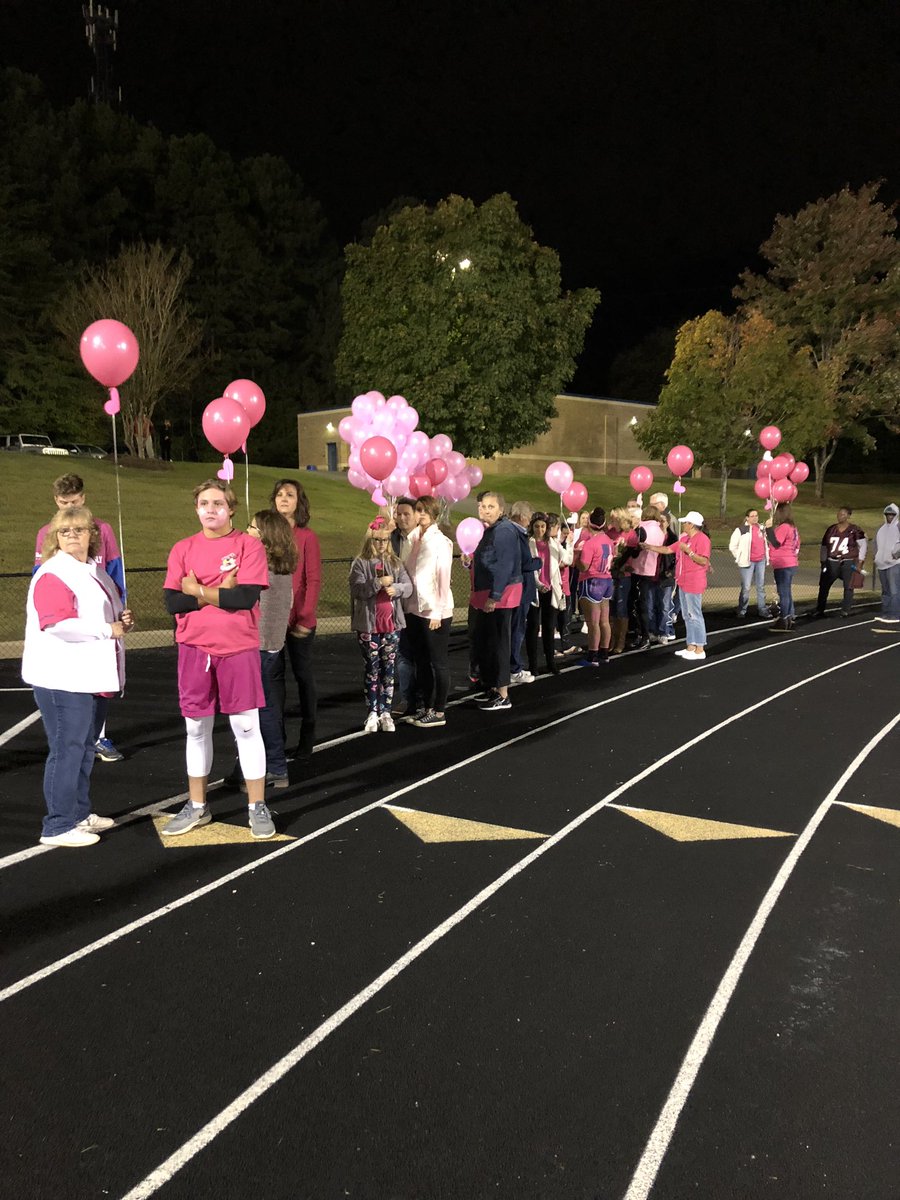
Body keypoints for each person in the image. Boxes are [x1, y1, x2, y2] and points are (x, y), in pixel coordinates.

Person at [162, 480, 276, 839]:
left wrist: (195, 588)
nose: (210, 509)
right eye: (203, 503)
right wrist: (211, 593)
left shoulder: (249, 546)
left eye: (217, 503)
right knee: (196, 728)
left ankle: (257, 806)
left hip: (237, 648)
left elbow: (244, 598)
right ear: (195, 508)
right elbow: (172, 603)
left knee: (246, 726)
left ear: (231, 508)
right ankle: (198, 806)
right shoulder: (182, 548)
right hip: (194, 649)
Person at [22, 506, 134, 847]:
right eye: (65, 531)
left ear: (92, 535)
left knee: (83, 748)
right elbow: (57, 624)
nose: (72, 536)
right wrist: (107, 628)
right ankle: (56, 825)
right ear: (55, 538)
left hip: (87, 675)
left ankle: (79, 813)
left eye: (80, 530)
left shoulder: (91, 571)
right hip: (62, 677)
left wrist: (120, 618)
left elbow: (100, 614)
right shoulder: (54, 572)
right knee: (66, 750)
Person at [33, 472, 126, 763]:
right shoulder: (48, 532)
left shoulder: (102, 530)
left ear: (83, 498)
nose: (68, 507)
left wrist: (119, 606)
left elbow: (114, 571)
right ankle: (72, 743)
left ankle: (99, 736)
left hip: (102, 617)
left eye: (73, 501)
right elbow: (41, 576)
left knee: (102, 679)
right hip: (70, 620)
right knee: (73, 684)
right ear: (55, 501)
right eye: (63, 502)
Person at [227, 511, 298, 787]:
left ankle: (254, 767)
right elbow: (288, 604)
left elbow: (243, 600)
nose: (247, 530)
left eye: (253, 527)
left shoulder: (258, 566)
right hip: (272, 644)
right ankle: (276, 766)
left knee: (251, 710)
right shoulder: (283, 569)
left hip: (254, 644)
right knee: (266, 706)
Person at [271, 479, 322, 757]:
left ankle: (308, 734)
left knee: (303, 676)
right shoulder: (267, 535)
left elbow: (312, 579)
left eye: (290, 495)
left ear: (298, 501)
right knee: (274, 679)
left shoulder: (307, 537)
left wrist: (305, 615)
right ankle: (276, 736)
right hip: (272, 621)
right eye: (279, 494)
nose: (284, 499)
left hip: (300, 620)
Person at [349, 517, 412, 732]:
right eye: (377, 540)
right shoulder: (360, 562)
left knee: (389, 669)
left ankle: (386, 711)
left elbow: (408, 586)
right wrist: (377, 583)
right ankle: (372, 712)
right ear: (370, 540)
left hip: (392, 625)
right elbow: (357, 590)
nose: (381, 544)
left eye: (385, 540)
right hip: (369, 626)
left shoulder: (395, 562)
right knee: (372, 669)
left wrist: (397, 588)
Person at [403, 496, 455, 727]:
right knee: (421, 661)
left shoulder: (440, 542)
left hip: (434, 610)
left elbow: (443, 578)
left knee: (438, 662)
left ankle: (440, 711)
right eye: (418, 510)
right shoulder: (413, 538)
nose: (420, 514)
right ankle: (427, 706)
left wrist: (438, 611)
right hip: (414, 608)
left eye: (424, 511)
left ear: (433, 514)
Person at [470, 492, 522, 710]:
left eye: (491, 507)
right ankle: (492, 688)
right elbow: (485, 560)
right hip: (487, 592)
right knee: (488, 643)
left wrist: (495, 596)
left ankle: (503, 694)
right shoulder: (487, 530)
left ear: (501, 510)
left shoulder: (504, 531)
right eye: (483, 506)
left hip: (501, 595)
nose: (485, 510)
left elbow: (504, 565)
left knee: (499, 643)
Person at [643, 510, 711, 661]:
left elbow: (703, 561)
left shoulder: (703, 539)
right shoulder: (684, 539)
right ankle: (691, 645)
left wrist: (690, 553)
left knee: (695, 615)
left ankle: (700, 647)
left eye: (686, 523)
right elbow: (668, 549)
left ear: (692, 525)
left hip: (694, 581)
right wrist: (649, 547)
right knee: (687, 616)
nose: (683, 525)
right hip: (683, 581)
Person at [390, 497, 420, 716]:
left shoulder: (424, 538)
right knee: (403, 654)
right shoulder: (390, 539)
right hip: (398, 604)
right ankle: (408, 698)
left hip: (421, 604)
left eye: (406, 514)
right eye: (398, 514)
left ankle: (426, 697)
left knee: (424, 655)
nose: (401, 518)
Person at [575, 506, 615, 665]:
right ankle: (604, 653)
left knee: (593, 623)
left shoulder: (590, 543)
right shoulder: (609, 541)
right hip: (606, 580)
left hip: (592, 581)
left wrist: (576, 558)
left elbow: (584, 566)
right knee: (604, 621)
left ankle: (592, 655)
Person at [814, 506, 867, 619]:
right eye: (839, 514)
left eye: (843, 514)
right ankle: (820, 609)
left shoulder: (855, 530)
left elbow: (863, 545)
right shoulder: (831, 529)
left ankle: (845, 610)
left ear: (848, 516)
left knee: (848, 586)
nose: (840, 516)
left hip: (848, 561)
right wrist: (823, 561)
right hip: (832, 561)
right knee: (824, 586)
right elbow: (824, 546)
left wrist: (860, 561)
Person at [508, 500, 538, 683]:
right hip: (520, 590)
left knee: (516, 629)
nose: (529, 522)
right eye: (529, 518)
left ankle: (513, 666)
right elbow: (523, 563)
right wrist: (538, 562)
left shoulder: (516, 533)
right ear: (522, 517)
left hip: (521, 589)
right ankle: (514, 668)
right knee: (517, 630)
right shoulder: (515, 534)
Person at [729, 508, 771, 619]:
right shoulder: (742, 529)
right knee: (746, 587)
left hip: (760, 561)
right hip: (747, 562)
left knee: (760, 586)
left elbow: (766, 542)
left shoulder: (761, 529)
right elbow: (732, 546)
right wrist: (739, 556)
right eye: (752, 516)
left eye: (756, 515)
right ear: (747, 518)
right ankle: (742, 609)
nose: (755, 517)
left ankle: (762, 609)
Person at [766, 505, 801, 631]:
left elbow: (776, 542)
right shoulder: (793, 528)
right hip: (790, 561)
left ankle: (784, 619)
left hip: (783, 563)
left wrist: (768, 529)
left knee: (783, 593)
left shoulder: (784, 527)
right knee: (787, 592)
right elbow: (797, 544)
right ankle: (789, 617)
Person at [872, 503, 900, 627]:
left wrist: (897, 554)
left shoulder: (898, 527)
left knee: (895, 590)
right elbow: (875, 543)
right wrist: (876, 556)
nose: (890, 517)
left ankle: (895, 613)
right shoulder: (880, 528)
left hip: (894, 564)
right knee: (885, 590)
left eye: (892, 514)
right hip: (881, 564)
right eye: (888, 514)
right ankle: (886, 612)